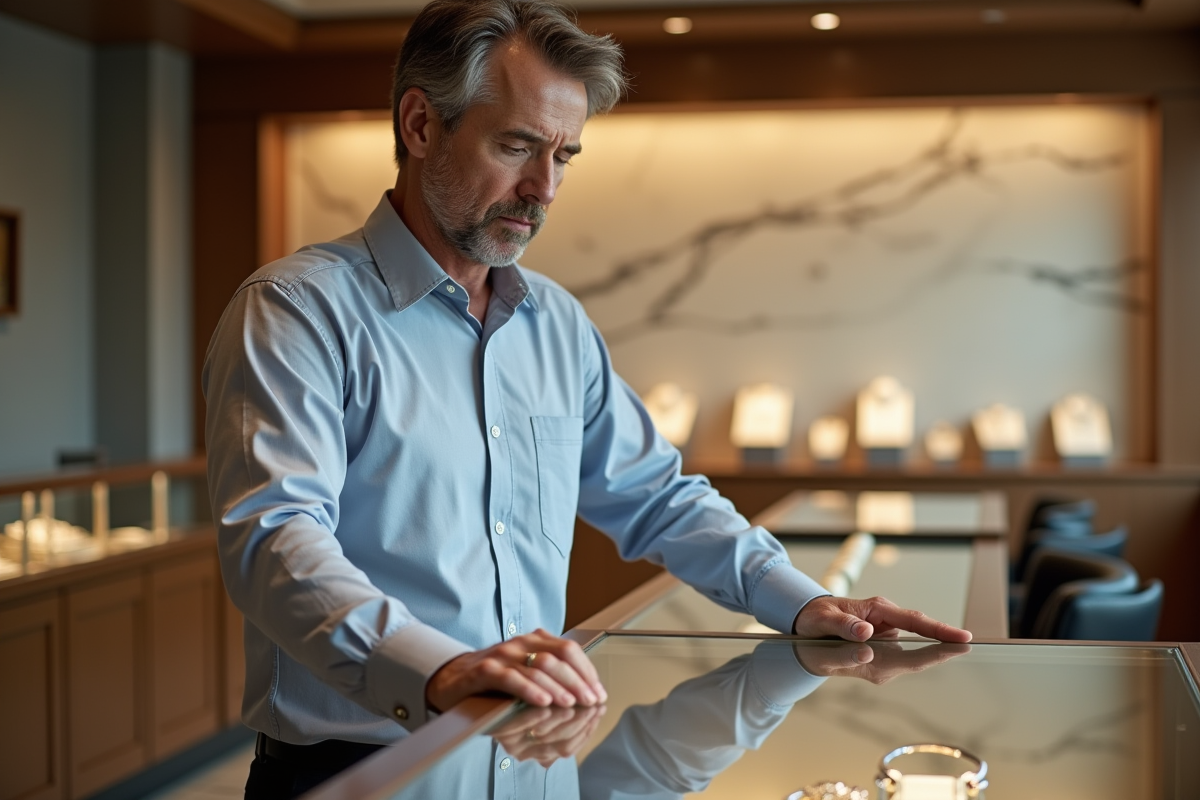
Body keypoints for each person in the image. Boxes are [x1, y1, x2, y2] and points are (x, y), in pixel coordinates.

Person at [202, 1, 972, 796]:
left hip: (537, 759)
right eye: (517, 147)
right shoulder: (297, 310)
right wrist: (439, 668)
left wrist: (808, 606)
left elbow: (658, 498)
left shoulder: (556, 325)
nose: (544, 188)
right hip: (364, 773)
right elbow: (275, 539)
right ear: (421, 125)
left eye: (565, 156)